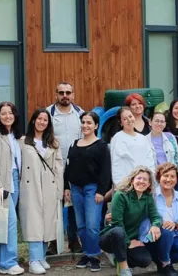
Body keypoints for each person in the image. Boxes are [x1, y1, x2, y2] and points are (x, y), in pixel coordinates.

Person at [64, 112, 110, 271]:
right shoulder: (74, 144)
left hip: (93, 189)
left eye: (89, 123)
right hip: (76, 188)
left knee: (92, 224)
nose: (85, 125)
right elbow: (68, 167)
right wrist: (66, 187)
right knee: (81, 225)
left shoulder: (102, 146)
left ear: (96, 126)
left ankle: (94, 255)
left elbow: (105, 171)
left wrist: (101, 191)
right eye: (83, 122)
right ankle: (88, 253)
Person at [19, 109, 63, 274]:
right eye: (39, 119)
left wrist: (59, 189)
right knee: (34, 222)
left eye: (45, 120)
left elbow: (59, 168)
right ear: (33, 121)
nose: (42, 122)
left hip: (49, 185)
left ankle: (42, 256)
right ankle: (33, 260)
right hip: (30, 186)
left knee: (47, 222)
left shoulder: (54, 143)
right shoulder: (23, 142)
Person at [99, 166, 163, 276]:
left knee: (145, 260)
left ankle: (119, 259)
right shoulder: (121, 195)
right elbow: (116, 223)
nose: (141, 181)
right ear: (132, 180)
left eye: (145, 180)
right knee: (118, 231)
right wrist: (129, 243)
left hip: (131, 238)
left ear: (149, 184)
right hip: (111, 237)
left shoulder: (147, 197)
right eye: (139, 178)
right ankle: (124, 269)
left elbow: (156, 216)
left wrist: (156, 225)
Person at [0, 102, 24, 275]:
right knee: (10, 223)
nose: (7, 116)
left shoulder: (16, 136)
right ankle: (9, 263)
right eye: (3, 113)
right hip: (2, 182)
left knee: (3, 221)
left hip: (15, 181)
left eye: (10, 113)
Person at [46, 82, 83, 253]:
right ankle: (54, 242)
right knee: (54, 204)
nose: (65, 95)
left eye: (68, 92)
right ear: (56, 95)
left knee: (73, 203)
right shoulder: (48, 114)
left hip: (75, 166)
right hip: (53, 166)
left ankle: (74, 240)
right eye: (61, 92)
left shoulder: (80, 114)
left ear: (73, 95)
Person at [145, 162, 178, 276]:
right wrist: (159, 224)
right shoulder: (151, 196)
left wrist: (175, 225)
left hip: (176, 235)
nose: (169, 179)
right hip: (155, 236)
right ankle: (165, 265)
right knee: (167, 232)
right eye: (165, 175)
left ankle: (162, 259)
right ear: (159, 177)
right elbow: (145, 219)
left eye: (172, 176)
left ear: (177, 179)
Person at [110, 106, 155, 186]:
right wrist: (120, 184)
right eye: (125, 119)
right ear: (120, 122)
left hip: (144, 183)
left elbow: (150, 159)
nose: (129, 120)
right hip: (126, 184)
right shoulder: (117, 138)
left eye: (130, 116)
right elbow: (115, 164)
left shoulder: (142, 138)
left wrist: (150, 178)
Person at [146, 112, 178, 187]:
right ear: (150, 122)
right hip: (153, 179)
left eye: (162, 121)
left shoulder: (170, 137)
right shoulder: (143, 140)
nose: (159, 124)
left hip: (170, 178)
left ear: (165, 124)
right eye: (156, 121)